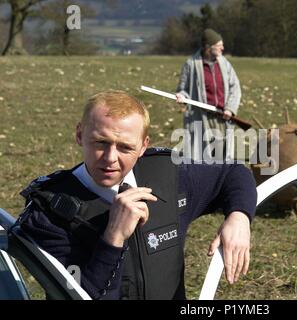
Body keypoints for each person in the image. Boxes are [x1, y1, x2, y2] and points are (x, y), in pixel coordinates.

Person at [17, 90, 257, 299]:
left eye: (125, 147)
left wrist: (240, 217)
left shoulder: (168, 176)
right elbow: (77, 294)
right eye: (101, 142)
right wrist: (113, 237)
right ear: (79, 135)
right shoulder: (48, 212)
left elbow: (232, 174)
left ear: (144, 146)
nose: (110, 158)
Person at [175, 28, 241, 161]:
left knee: (223, 158)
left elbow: (235, 87)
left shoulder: (225, 63)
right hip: (200, 118)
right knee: (200, 157)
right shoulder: (191, 64)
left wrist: (230, 108)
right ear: (208, 47)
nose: (222, 48)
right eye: (219, 45)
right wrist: (182, 97)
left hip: (222, 117)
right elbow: (183, 89)